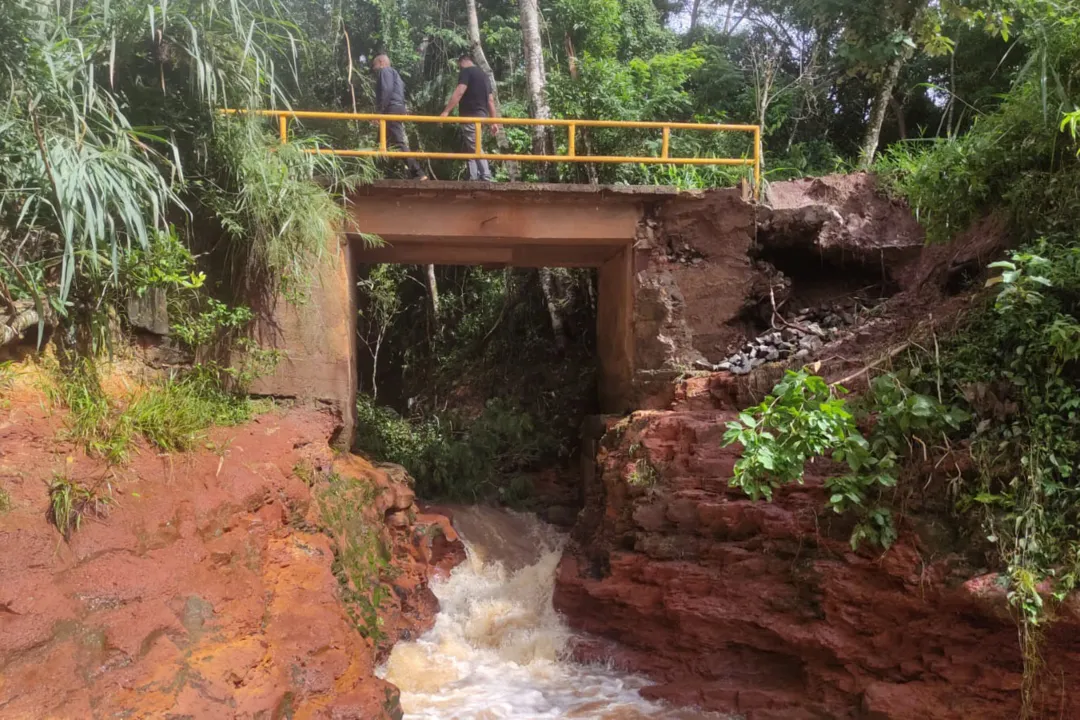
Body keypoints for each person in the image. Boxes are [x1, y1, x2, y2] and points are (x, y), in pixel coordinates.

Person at [440, 53, 500, 181]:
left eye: (459, 66)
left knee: (475, 146)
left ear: (462, 62)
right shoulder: (484, 76)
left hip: (470, 116)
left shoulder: (466, 72)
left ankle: (486, 176)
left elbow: (460, 92)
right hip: (482, 116)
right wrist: (493, 121)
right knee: (471, 145)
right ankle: (473, 176)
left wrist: (446, 111)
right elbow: (490, 100)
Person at [371, 54, 427, 180]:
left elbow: (387, 90)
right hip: (396, 108)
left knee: (398, 142)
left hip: (391, 110)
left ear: (381, 62)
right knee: (381, 142)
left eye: (374, 66)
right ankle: (372, 172)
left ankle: (418, 172)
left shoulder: (385, 71)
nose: (374, 70)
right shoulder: (396, 75)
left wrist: (379, 112)